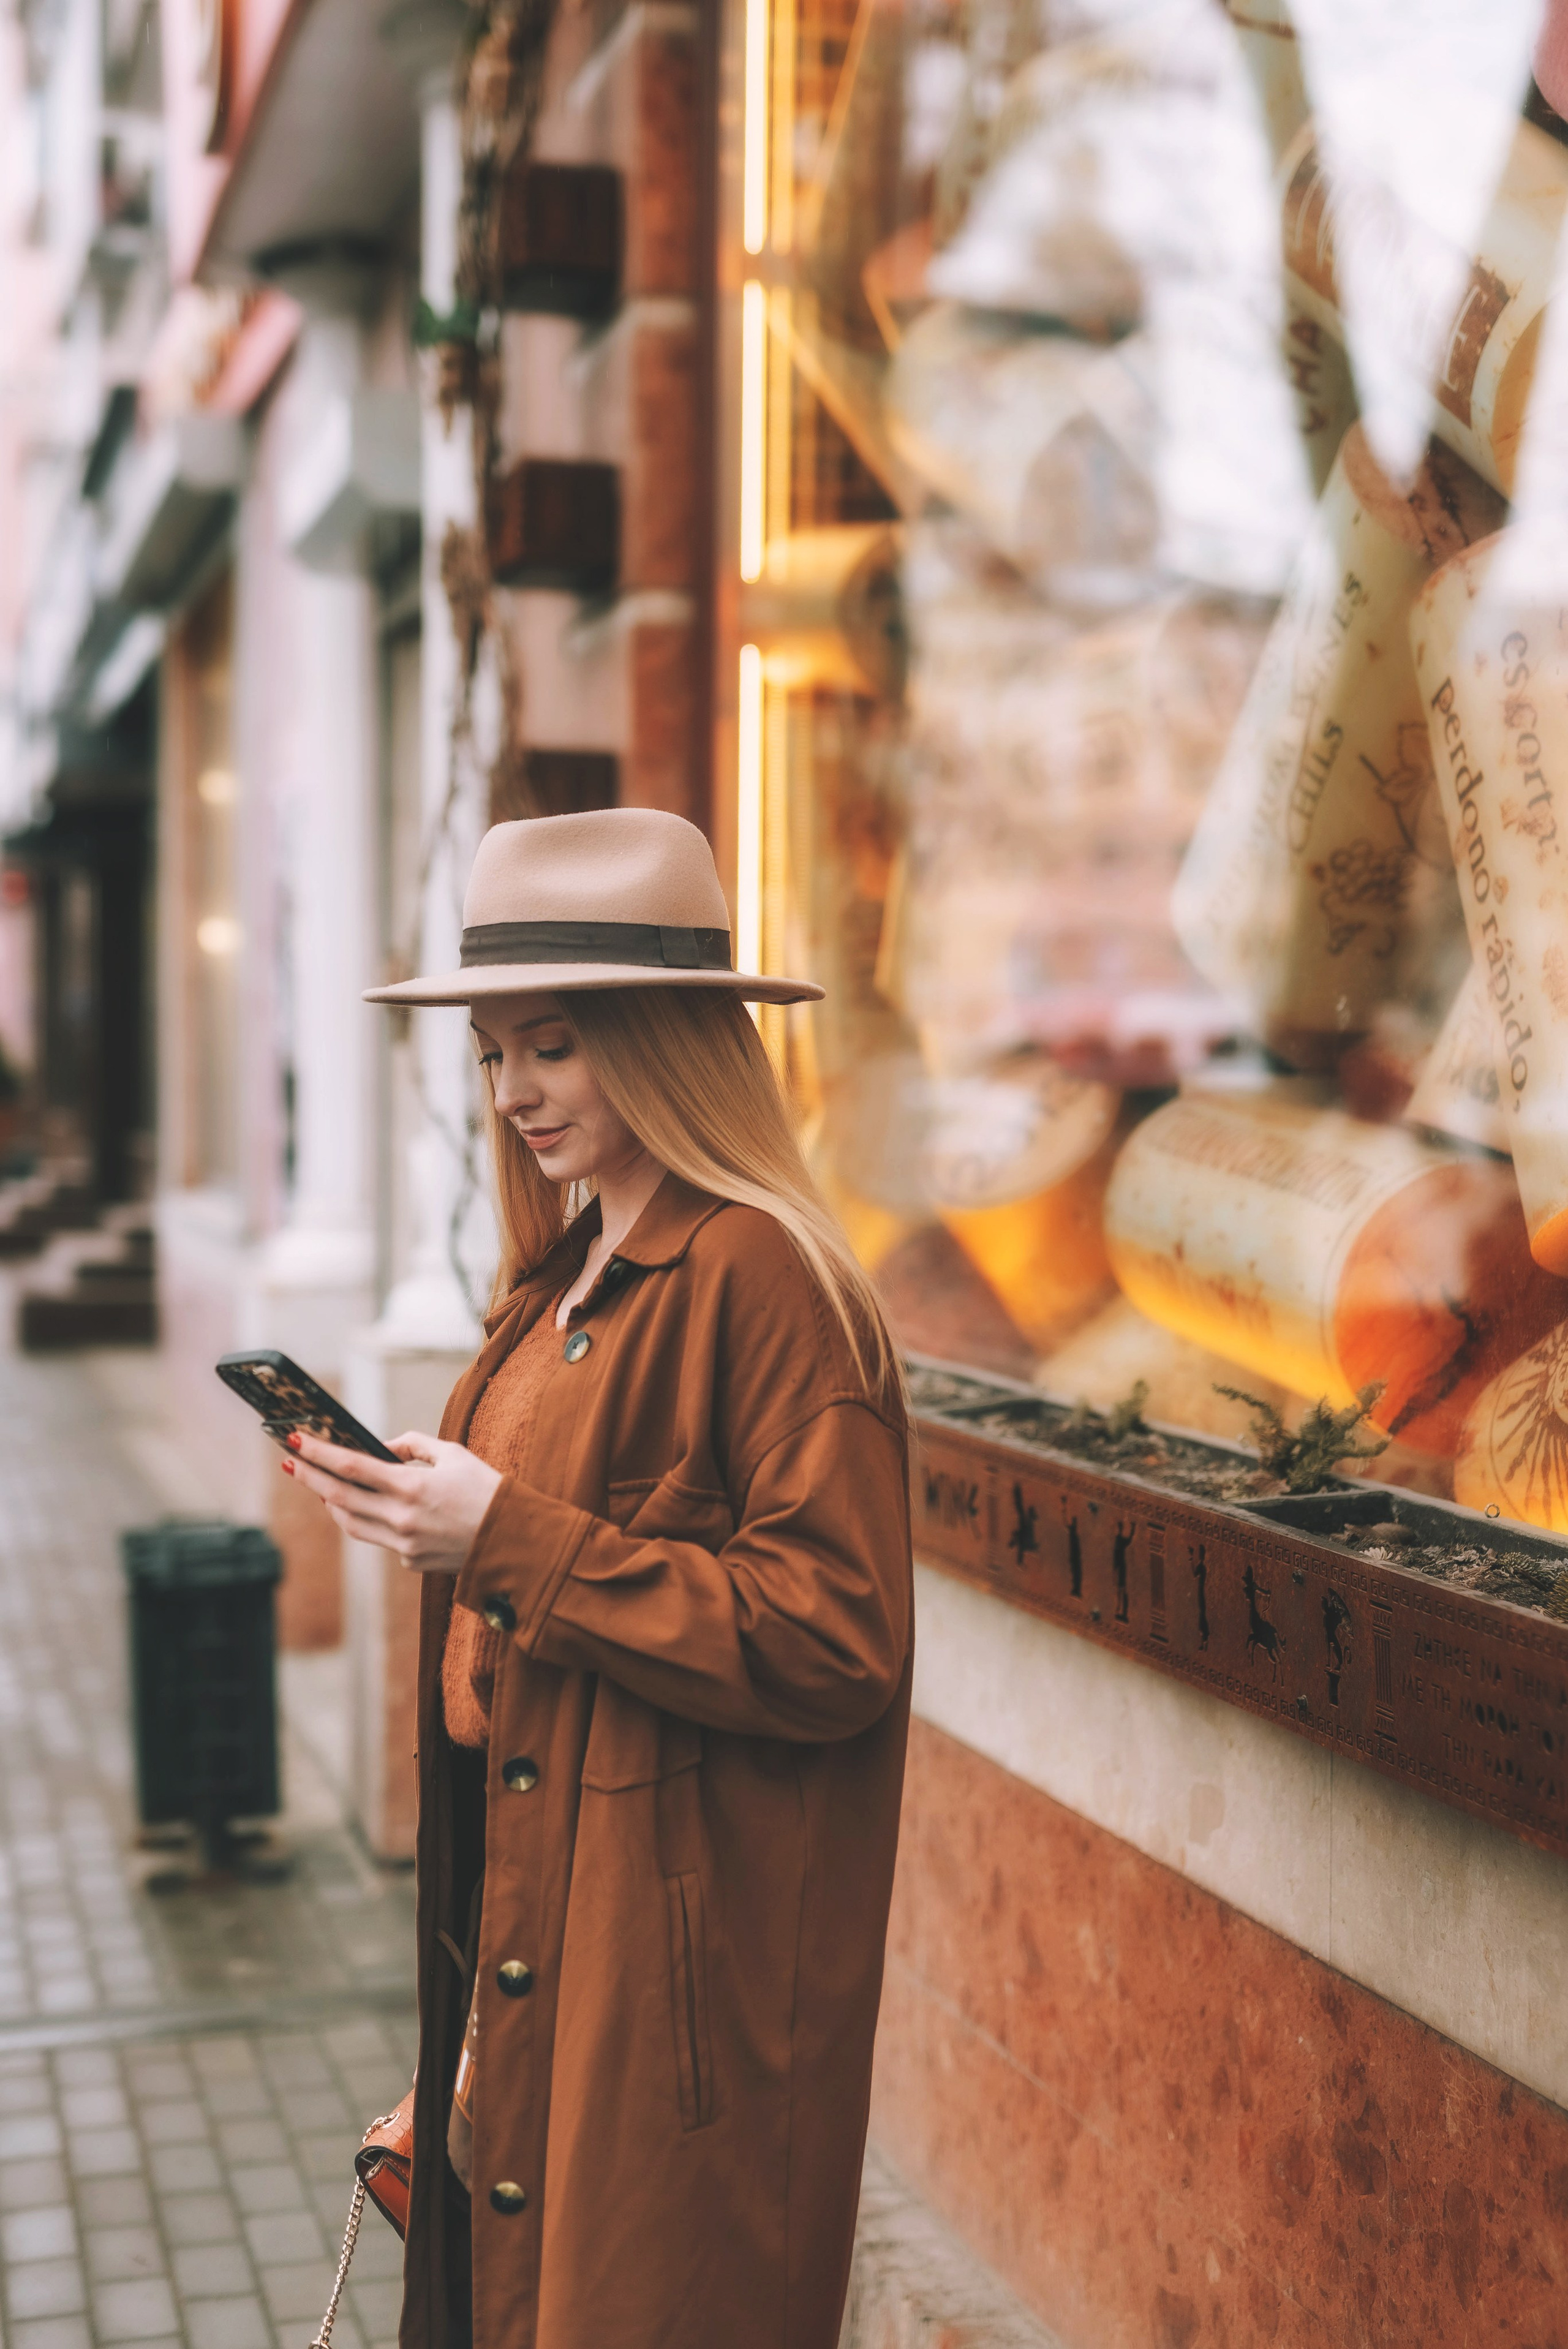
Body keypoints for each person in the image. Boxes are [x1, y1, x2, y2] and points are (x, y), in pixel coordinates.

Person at [284, 808, 914, 2349]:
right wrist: (421, 1513)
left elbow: (836, 1635)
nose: (513, 1094)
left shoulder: (765, 1279)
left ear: (664, 1037)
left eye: (551, 1046)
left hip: (672, 1983)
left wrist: (498, 1537)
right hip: (543, 1940)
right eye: (495, 1052)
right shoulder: (562, 1270)